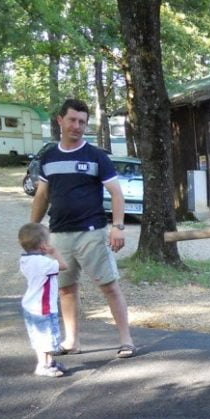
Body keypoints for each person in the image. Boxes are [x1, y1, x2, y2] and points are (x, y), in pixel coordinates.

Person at [30, 98, 135, 358]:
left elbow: (116, 193)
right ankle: (71, 342)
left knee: (109, 286)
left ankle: (126, 340)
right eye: (72, 120)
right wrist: (33, 230)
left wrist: (118, 227)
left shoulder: (96, 156)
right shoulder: (49, 156)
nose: (77, 126)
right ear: (60, 121)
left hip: (92, 233)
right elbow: (42, 196)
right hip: (58, 235)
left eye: (82, 122)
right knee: (66, 289)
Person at [18, 222, 69, 377]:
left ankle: (48, 362)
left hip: (30, 305)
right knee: (48, 337)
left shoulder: (24, 260)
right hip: (44, 307)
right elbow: (64, 265)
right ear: (42, 244)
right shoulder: (44, 263)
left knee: (39, 337)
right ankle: (43, 365)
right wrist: (54, 252)